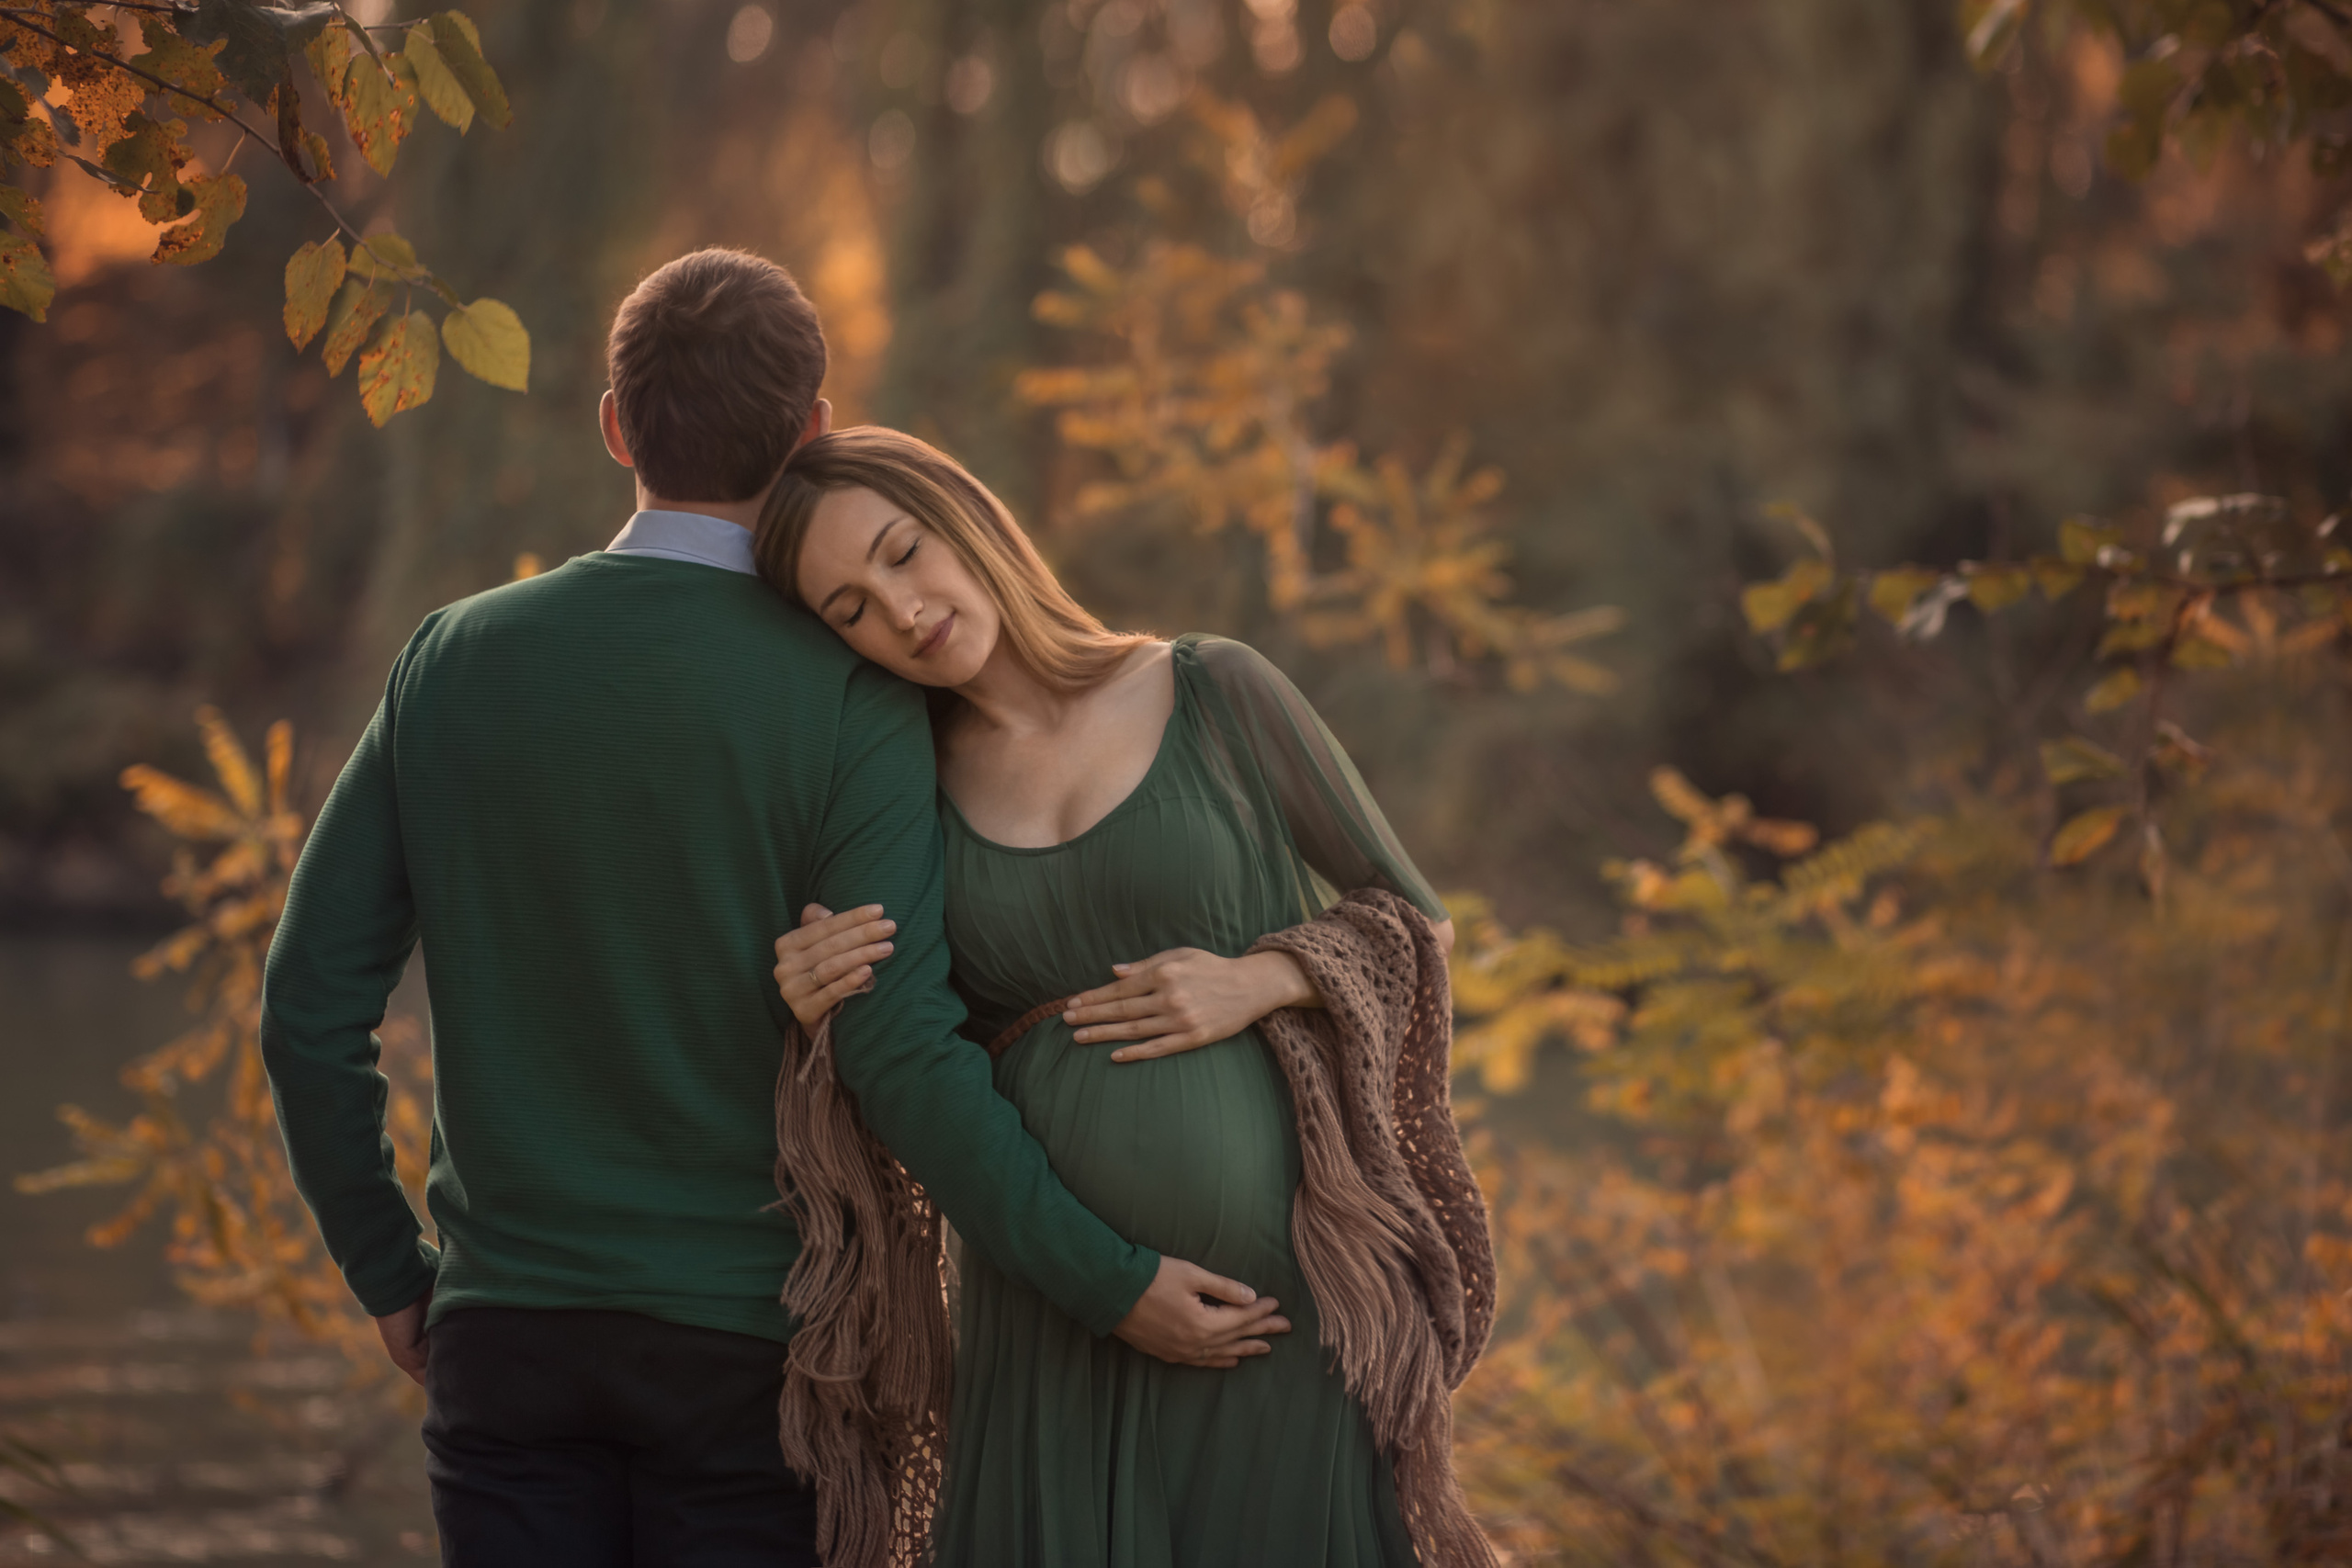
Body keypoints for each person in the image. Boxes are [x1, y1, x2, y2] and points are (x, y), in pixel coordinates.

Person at [256, 249, 1287, 1568]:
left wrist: (390, 1272)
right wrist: (1107, 1276)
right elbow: (904, 1045)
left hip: (505, 1331)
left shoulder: (452, 659)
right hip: (754, 1343)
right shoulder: (851, 688)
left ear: (616, 424)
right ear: (813, 431)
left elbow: (306, 1011)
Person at [759, 426, 1497, 1568]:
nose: (900, 610)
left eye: (903, 554)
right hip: (1044, 1306)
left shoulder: (1212, 689)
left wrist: (1263, 978)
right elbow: (894, 1040)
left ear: (969, 519)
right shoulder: (894, 781)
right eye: (850, 607)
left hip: (1272, 1300)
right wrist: (811, 1001)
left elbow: (1415, 923)